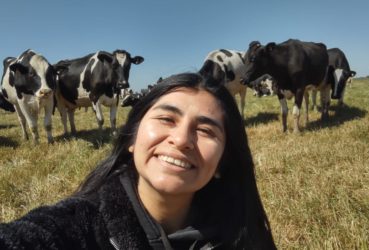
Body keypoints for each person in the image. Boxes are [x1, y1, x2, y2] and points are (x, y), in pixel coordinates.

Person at [0, 72, 276, 249]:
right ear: (132, 139)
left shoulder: (244, 233)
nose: (181, 140)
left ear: (224, 160)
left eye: (205, 130)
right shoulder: (77, 225)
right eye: (166, 119)